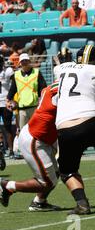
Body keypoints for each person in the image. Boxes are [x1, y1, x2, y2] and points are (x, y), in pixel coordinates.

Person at [55, 45, 95, 215]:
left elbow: (58, 64)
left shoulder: (60, 69)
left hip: (64, 127)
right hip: (89, 121)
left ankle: (82, 203)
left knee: (66, 171)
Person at [0, 83, 61, 211]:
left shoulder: (53, 89)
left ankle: (39, 202)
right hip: (35, 138)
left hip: (42, 137)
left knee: (56, 172)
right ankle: (7, 186)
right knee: (48, 182)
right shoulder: (59, 93)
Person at [6, 53, 47, 130]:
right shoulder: (16, 75)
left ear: (29, 61)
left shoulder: (37, 72)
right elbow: (13, 89)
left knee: (36, 130)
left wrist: (41, 100)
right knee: (23, 132)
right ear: (20, 63)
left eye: (26, 60)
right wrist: (8, 99)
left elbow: (43, 87)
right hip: (22, 108)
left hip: (34, 107)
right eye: (22, 61)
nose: (24, 62)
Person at [0, 56, 14, 158]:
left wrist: (11, 98)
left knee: (7, 127)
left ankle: (11, 150)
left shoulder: (8, 70)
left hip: (6, 102)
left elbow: (15, 83)